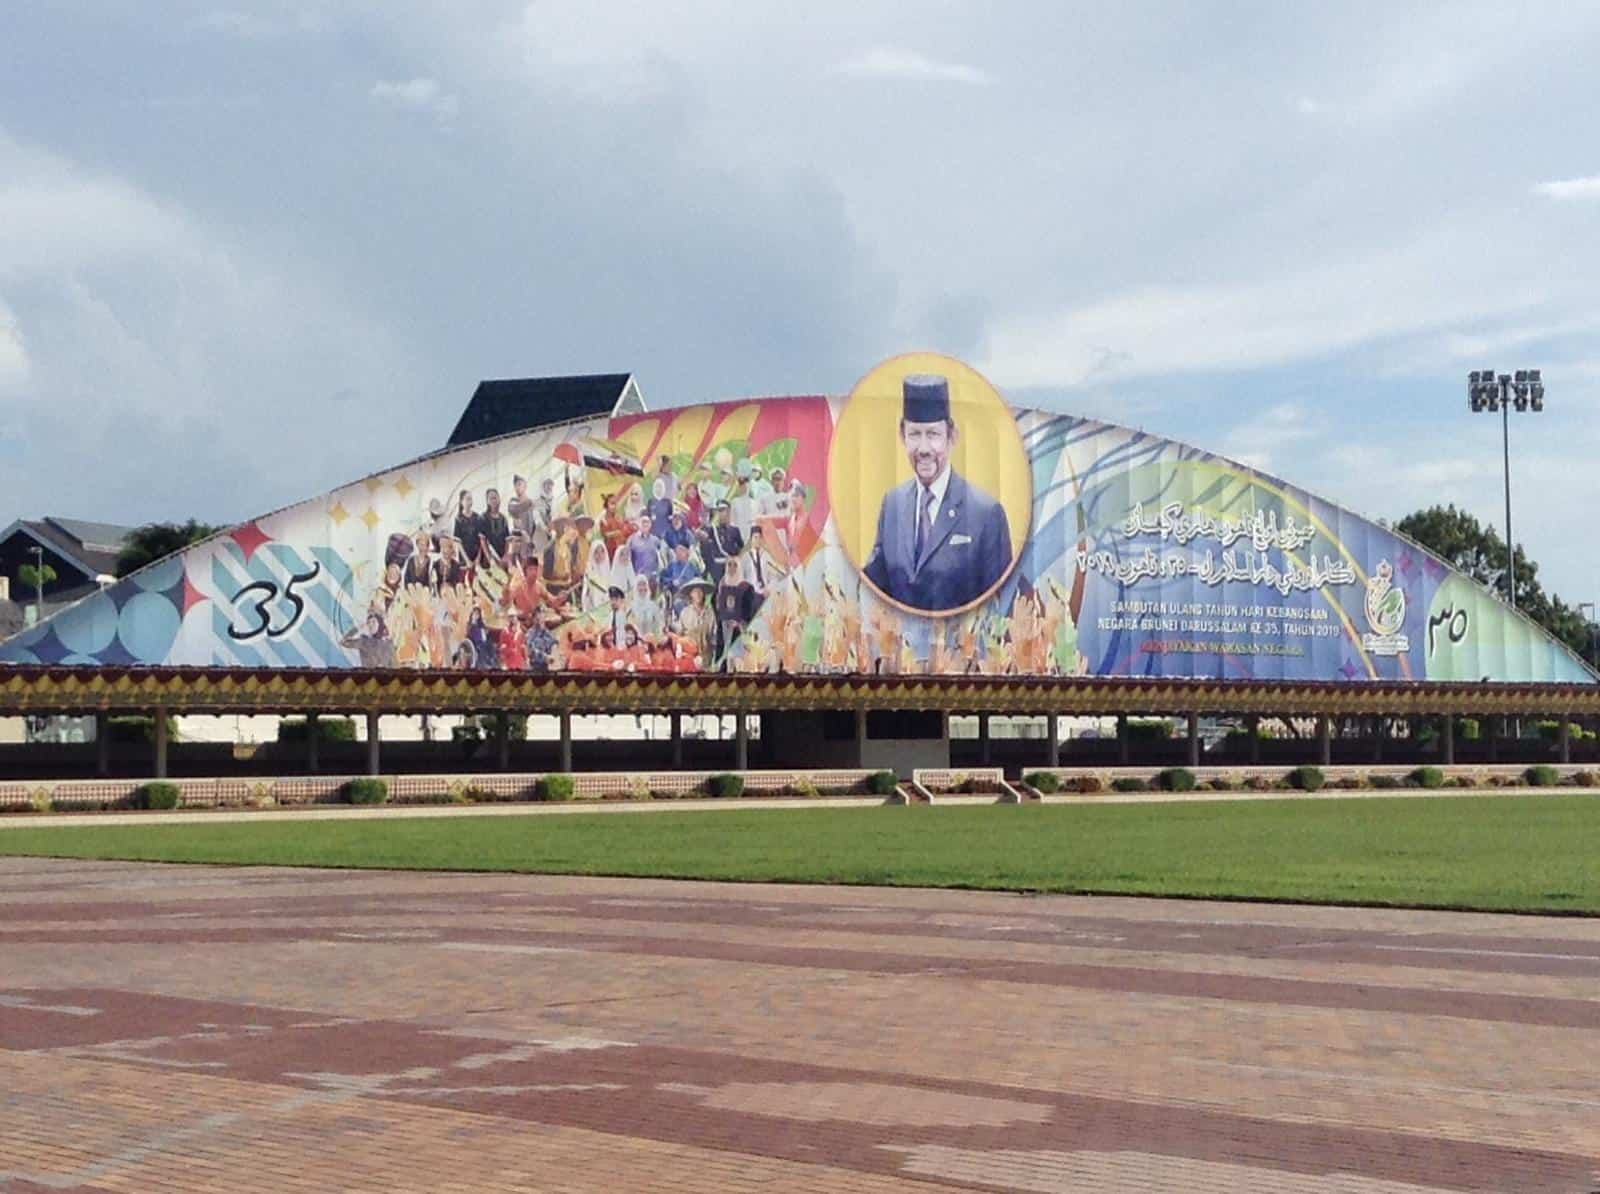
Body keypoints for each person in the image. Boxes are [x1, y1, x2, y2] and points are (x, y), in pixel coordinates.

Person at [862, 374, 1012, 612]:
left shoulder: (985, 514)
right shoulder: (892, 504)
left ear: (952, 437)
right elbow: (873, 588)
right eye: (915, 434)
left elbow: (1002, 608)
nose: (923, 449)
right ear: (902, 436)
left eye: (933, 435)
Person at [714, 556, 756, 666]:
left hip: (739, 629)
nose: (732, 568)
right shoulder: (721, 585)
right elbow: (717, 608)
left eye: (735, 565)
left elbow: (749, 611)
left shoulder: (747, 587)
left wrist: (739, 622)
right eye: (729, 565)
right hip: (724, 627)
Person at [701, 500, 745, 585]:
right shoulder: (713, 529)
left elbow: (741, 548)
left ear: (729, 511)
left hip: (731, 565)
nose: (721, 514)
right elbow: (703, 537)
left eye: (723, 510)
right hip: (718, 566)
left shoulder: (735, 530)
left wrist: (735, 559)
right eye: (719, 511)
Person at [673, 578, 715, 663]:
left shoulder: (710, 612)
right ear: (691, 594)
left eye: (700, 591)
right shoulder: (685, 613)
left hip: (706, 655)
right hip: (689, 655)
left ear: (703, 594)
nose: (698, 594)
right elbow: (679, 635)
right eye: (695, 592)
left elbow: (714, 635)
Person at [626, 514, 664, 586]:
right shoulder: (632, 539)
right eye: (643, 522)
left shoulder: (655, 540)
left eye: (647, 522)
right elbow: (627, 559)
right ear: (638, 524)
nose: (645, 524)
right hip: (638, 578)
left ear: (651, 525)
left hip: (653, 579)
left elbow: (661, 557)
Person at [453, 491, 484, 566]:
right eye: (467, 499)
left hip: (477, 557)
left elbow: (481, 540)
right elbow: (458, 542)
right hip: (464, 558)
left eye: (470, 499)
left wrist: (478, 558)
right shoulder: (458, 519)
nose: (469, 502)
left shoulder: (477, 517)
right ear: (461, 501)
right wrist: (467, 560)